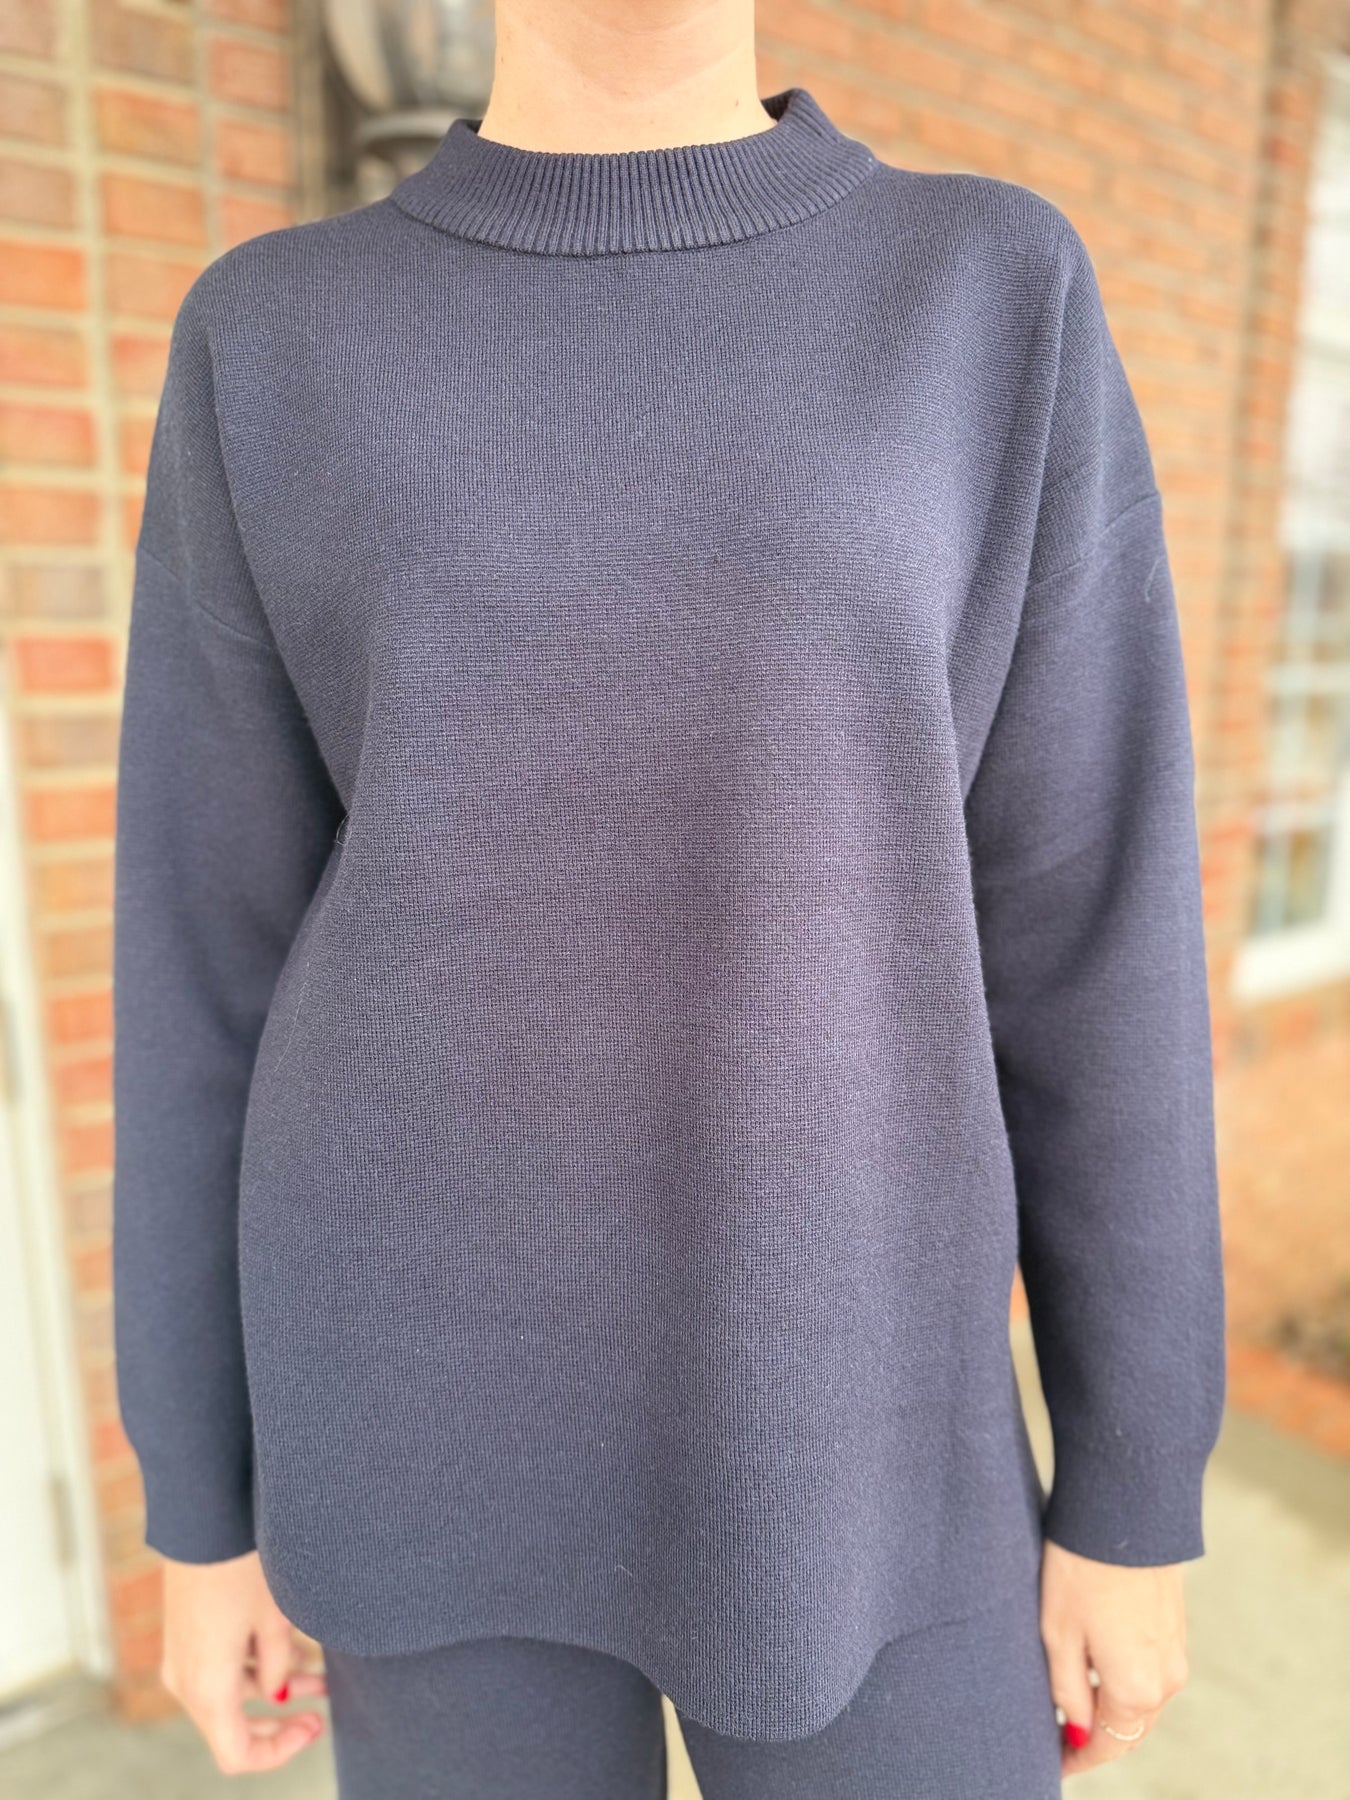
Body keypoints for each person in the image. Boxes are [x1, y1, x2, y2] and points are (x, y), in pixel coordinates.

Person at [110, 2, 1228, 1795]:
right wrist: (200, 1503)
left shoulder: (981, 292)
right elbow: (200, 956)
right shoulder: (274, 335)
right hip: (410, 1423)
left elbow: (1091, 930)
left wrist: (1132, 1486)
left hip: (861, 1418)